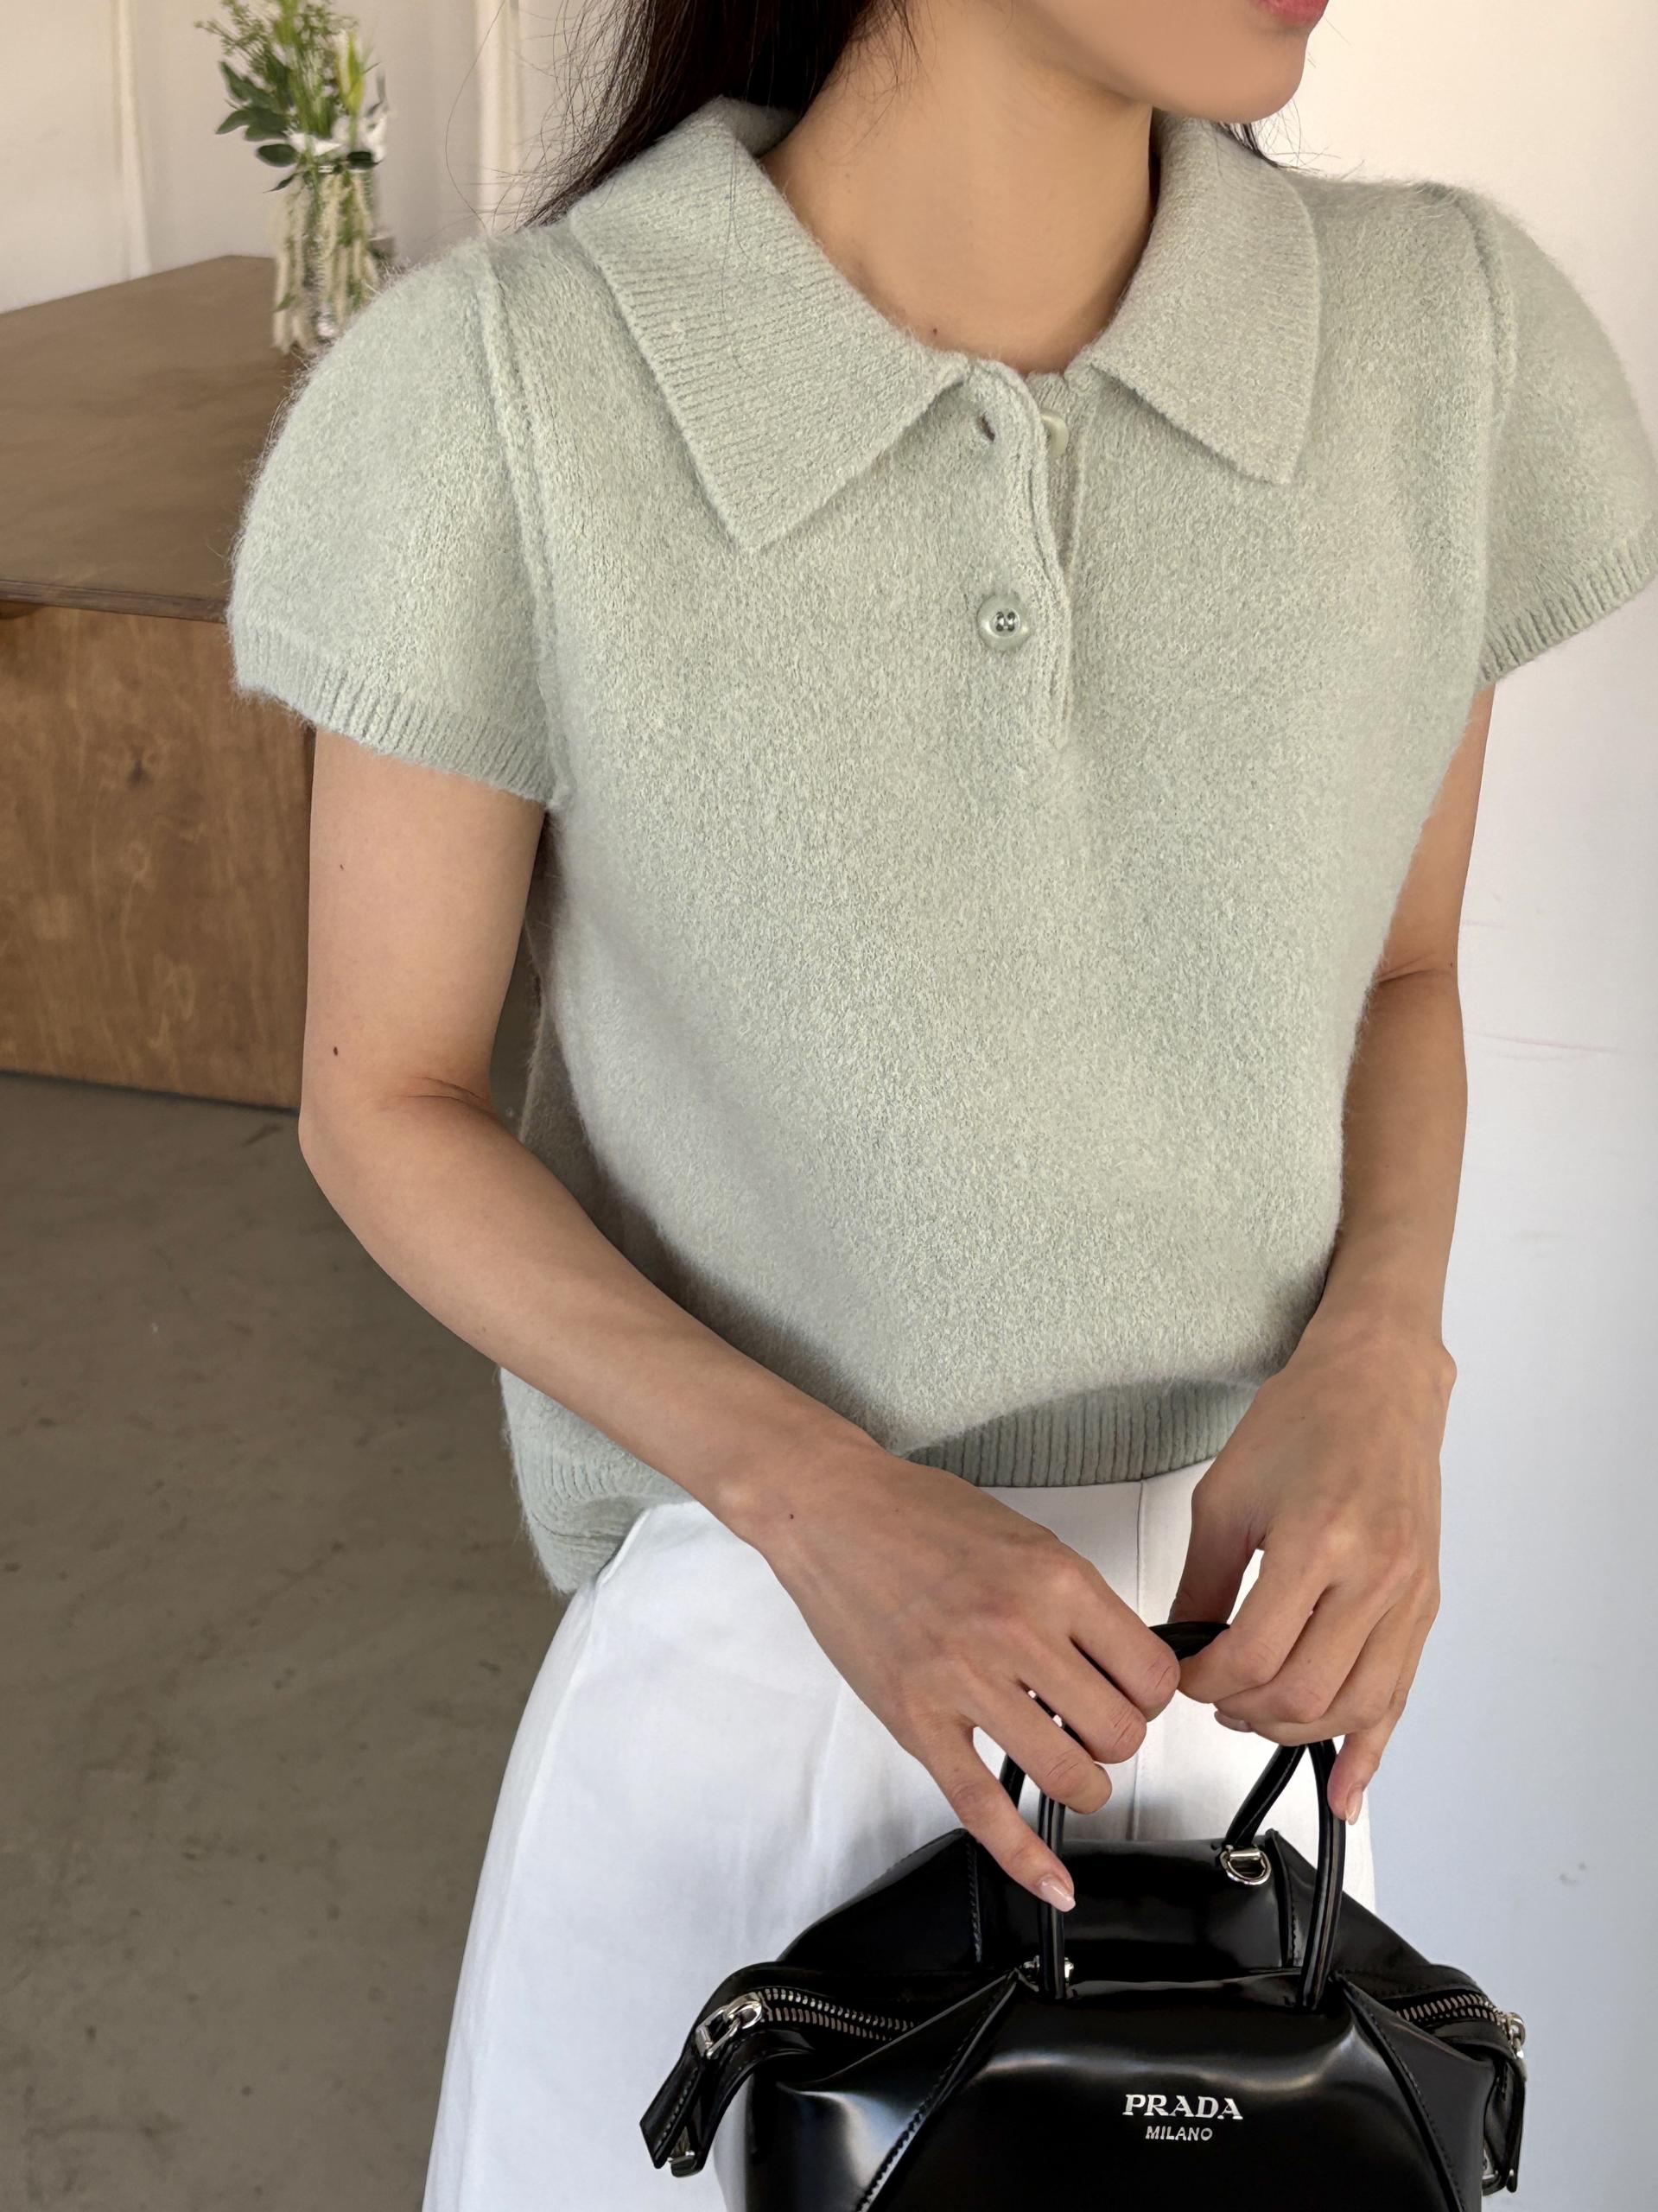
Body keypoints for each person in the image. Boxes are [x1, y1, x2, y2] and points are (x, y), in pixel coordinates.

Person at [226, 0, 1658, 2202]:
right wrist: (823, 1499)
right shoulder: (499, 396)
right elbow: (383, 1095)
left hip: (1241, 1721)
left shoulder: (1440, 348)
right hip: (746, 1678)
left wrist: (1389, 1351)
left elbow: (1401, 968)